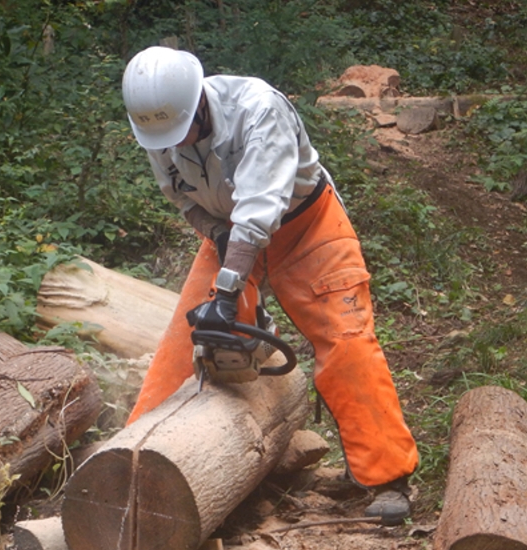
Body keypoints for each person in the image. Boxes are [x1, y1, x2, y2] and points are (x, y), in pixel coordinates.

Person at [121, 46, 418, 524]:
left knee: (346, 341)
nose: (177, 141)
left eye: (185, 129)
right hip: (226, 233)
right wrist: (218, 243)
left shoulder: (257, 109)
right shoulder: (159, 131)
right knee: (185, 340)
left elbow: (261, 210)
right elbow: (180, 198)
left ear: (198, 100)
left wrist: (229, 288)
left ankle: (387, 477)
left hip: (306, 224)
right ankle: (131, 462)